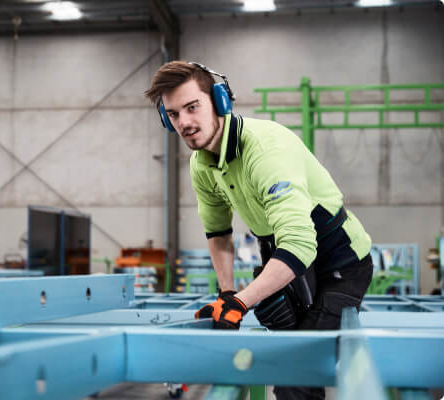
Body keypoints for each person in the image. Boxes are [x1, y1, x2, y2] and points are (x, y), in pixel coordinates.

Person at [145, 61, 373, 400]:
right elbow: (218, 232)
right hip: (285, 256)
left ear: (220, 102)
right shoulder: (201, 164)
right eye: (174, 114)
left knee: (294, 370)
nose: (185, 123)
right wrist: (226, 294)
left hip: (339, 261)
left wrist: (242, 301)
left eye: (193, 107)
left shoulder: (266, 150)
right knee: (288, 353)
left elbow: (299, 243)